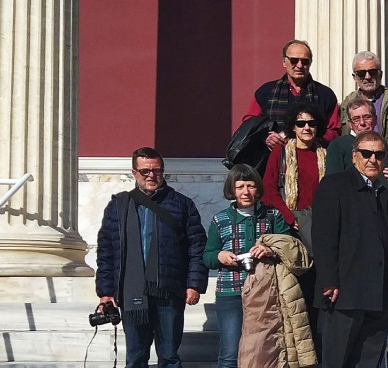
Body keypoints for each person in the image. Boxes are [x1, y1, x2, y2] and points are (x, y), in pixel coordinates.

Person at [96, 147, 207, 368]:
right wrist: (105, 292)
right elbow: (106, 251)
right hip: (131, 292)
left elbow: (197, 246)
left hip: (169, 290)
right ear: (134, 172)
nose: (151, 175)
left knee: (169, 357)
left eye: (156, 170)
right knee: (135, 358)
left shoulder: (182, 204)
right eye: (145, 171)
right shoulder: (118, 206)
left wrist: (194, 285)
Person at [311, 131, 388, 367]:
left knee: (368, 360)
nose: (372, 159)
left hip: (379, 295)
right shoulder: (334, 185)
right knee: (338, 360)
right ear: (355, 156)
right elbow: (323, 237)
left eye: (378, 154)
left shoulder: (385, 192)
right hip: (344, 294)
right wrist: (329, 280)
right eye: (366, 153)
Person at [202, 164, 290, 368]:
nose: (246, 192)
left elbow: (289, 247)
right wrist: (220, 256)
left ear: (257, 188)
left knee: (264, 351)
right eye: (240, 186)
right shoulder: (220, 219)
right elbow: (207, 256)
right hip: (230, 293)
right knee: (230, 354)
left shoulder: (272, 216)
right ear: (232, 190)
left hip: (265, 293)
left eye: (250, 186)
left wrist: (270, 250)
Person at [257, 102, 328, 351]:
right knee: (298, 286)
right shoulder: (282, 152)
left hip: (322, 224)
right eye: (301, 123)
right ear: (293, 128)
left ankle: (317, 345)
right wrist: (290, 217)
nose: (307, 127)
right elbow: (268, 190)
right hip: (292, 227)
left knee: (320, 282)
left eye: (311, 123)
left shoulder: (325, 152)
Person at [244, 39, 341, 149]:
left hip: (313, 157)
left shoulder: (325, 95)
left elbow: (334, 132)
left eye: (305, 61)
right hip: (271, 158)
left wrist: (311, 135)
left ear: (310, 63)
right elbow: (249, 124)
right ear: (284, 62)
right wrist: (265, 136)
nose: (299, 65)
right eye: (294, 60)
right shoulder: (265, 92)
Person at [339, 51, 388, 170]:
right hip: (356, 171)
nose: (368, 77)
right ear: (354, 77)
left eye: (372, 72)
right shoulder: (346, 104)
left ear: (380, 74)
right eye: (361, 73)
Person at [327, 99, 388, 174]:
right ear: (350, 124)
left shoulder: (383, 145)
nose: (362, 123)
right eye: (356, 119)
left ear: (375, 120)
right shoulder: (338, 145)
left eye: (367, 117)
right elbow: (332, 180)